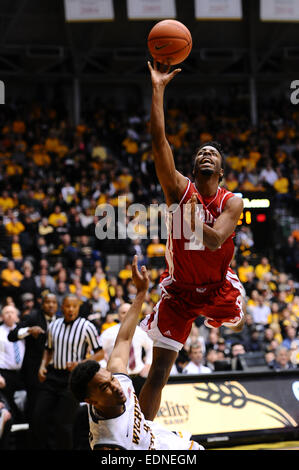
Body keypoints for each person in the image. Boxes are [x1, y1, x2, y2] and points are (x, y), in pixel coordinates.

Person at [139, 61, 246, 420]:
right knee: (158, 375)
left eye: (212, 154)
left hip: (218, 288)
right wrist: (158, 88)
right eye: (200, 152)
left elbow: (215, 240)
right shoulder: (179, 190)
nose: (205, 154)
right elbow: (158, 142)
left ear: (220, 171)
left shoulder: (232, 201)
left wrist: (186, 216)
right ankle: (138, 441)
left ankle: (223, 322)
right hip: (181, 293)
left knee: (239, 322)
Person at [69, 256, 204, 450]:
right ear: (91, 401)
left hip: (156, 438)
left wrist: (141, 292)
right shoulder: (108, 444)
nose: (116, 386)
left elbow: (124, 338)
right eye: (105, 387)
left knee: (157, 375)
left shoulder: (117, 378)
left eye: (111, 379)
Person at [32, 294, 104, 450]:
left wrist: (81, 364)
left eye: (74, 306)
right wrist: (42, 365)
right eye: (67, 306)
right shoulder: (54, 325)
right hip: (52, 377)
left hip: (73, 379)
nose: (71, 309)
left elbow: (100, 353)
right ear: (62, 307)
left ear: (78, 308)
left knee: (62, 423)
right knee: (38, 416)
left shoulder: (87, 326)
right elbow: (48, 350)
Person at [7, 293, 58, 435]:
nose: (51, 305)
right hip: (34, 372)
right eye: (48, 302)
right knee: (35, 410)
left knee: (52, 411)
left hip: (54, 372)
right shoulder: (33, 317)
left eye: (54, 303)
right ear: (42, 304)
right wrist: (29, 330)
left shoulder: (60, 319)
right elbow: (12, 335)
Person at [100, 302, 153, 396]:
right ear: (118, 315)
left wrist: (148, 364)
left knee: (140, 408)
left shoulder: (140, 331)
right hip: (117, 379)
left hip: (138, 376)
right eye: (123, 312)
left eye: (130, 312)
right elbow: (98, 352)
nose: (127, 315)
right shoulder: (108, 333)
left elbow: (151, 347)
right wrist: (106, 368)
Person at [0, 305, 26, 422]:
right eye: (6, 312)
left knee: (25, 404)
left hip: (22, 373)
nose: (10, 314)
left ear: (17, 316)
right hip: (5, 374)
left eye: (12, 312)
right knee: (10, 404)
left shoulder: (23, 331)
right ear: (1, 317)